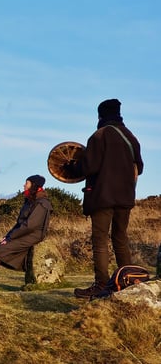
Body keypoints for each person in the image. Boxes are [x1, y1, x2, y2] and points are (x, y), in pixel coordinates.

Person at [64, 99, 143, 299]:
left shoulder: (99, 136)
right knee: (120, 238)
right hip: (125, 197)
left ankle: (101, 284)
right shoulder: (131, 137)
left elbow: (88, 167)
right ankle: (128, 282)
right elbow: (139, 168)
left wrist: (71, 167)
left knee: (100, 240)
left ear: (101, 116)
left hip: (102, 196)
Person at [0, 175, 52, 289]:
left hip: (33, 235)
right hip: (24, 232)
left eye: (27, 183)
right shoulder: (29, 201)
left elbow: (30, 225)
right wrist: (7, 236)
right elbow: (19, 223)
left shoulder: (42, 203)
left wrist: (11, 238)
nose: (24, 185)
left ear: (34, 185)